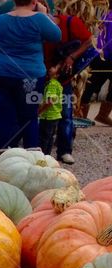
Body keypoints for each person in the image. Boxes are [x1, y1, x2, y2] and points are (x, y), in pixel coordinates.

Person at [0, 0, 60, 157]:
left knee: (3, 116)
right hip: (30, 74)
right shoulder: (39, 19)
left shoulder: (0, 20)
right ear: (34, 2)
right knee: (29, 116)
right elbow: (56, 36)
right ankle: (31, 158)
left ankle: (1, 158)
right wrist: (44, 14)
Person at [44, 10, 94, 164]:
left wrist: (72, 57)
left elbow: (88, 40)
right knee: (41, 114)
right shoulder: (34, 25)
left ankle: (64, 150)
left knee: (65, 114)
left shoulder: (70, 22)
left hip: (62, 78)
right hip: (41, 74)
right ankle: (41, 151)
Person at [82, 7, 112, 124]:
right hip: (106, 57)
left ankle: (99, 115)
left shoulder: (107, 15)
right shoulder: (109, 17)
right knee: (93, 85)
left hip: (101, 55)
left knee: (93, 85)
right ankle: (85, 115)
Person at [38, 64, 63, 155]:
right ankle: (47, 155)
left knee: (43, 138)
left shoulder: (52, 84)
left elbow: (50, 101)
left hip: (48, 116)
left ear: (57, 75)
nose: (51, 67)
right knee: (50, 137)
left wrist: (39, 111)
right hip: (55, 115)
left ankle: (42, 156)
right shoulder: (58, 84)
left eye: (55, 67)